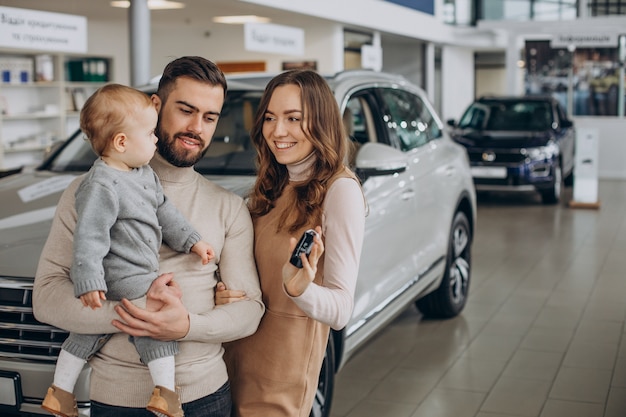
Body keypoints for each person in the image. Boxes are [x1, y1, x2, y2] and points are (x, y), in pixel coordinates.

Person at [33, 56, 264, 417]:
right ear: (155, 106)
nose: (196, 127)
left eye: (209, 117)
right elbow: (46, 298)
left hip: (205, 396)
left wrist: (185, 325)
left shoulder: (229, 206)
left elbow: (250, 311)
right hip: (117, 399)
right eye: (185, 110)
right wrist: (140, 315)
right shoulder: (89, 191)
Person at [217, 69, 366, 416]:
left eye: (293, 118)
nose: (277, 131)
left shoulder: (340, 190)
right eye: (270, 117)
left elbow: (341, 310)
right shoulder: (272, 183)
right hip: (230, 356)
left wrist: (301, 290)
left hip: (280, 377)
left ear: (321, 122)